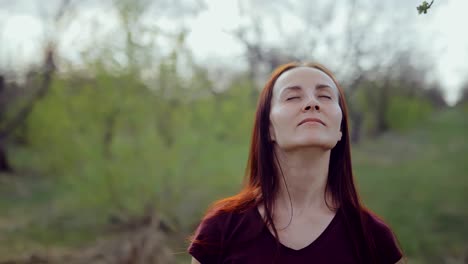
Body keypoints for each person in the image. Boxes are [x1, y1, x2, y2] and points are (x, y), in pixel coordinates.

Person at [188, 62, 404, 264]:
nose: (312, 103)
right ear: (268, 128)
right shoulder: (220, 230)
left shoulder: (375, 240)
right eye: (292, 97)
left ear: (340, 130)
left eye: (325, 96)